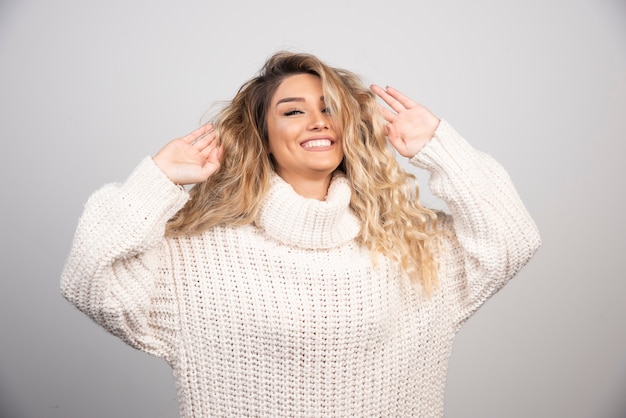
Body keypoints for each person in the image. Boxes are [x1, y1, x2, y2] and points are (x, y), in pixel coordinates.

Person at [61, 51, 541, 417]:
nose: (318, 121)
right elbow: (92, 282)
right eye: (293, 111)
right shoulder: (195, 256)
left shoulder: (410, 244)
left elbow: (511, 237)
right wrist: (156, 181)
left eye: (331, 108)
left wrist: (440, 146)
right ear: (262, 135)